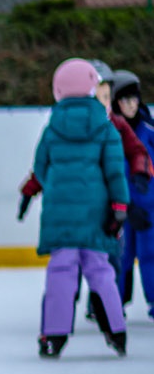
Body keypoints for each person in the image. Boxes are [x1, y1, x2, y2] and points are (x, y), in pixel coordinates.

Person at [32, 59, 129, 358]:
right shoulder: (105, 127)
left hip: (60, 214)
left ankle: (54, 335)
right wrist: (119, 206)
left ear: (58, 90)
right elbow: (115, 172)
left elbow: (40, 168)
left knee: (61, 270)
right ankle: (116, 330)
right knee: (100, 268)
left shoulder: (52, 129)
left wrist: (58, 189)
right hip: (95, 214)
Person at [111, 69, 154, 316]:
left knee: (151, 254)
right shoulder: (109, 132)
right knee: (121, 257)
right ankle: (113, 303)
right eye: (125, 99)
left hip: (149, 208)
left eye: (134, 99)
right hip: (120, 208)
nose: (131, 104)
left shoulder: (150, 130)